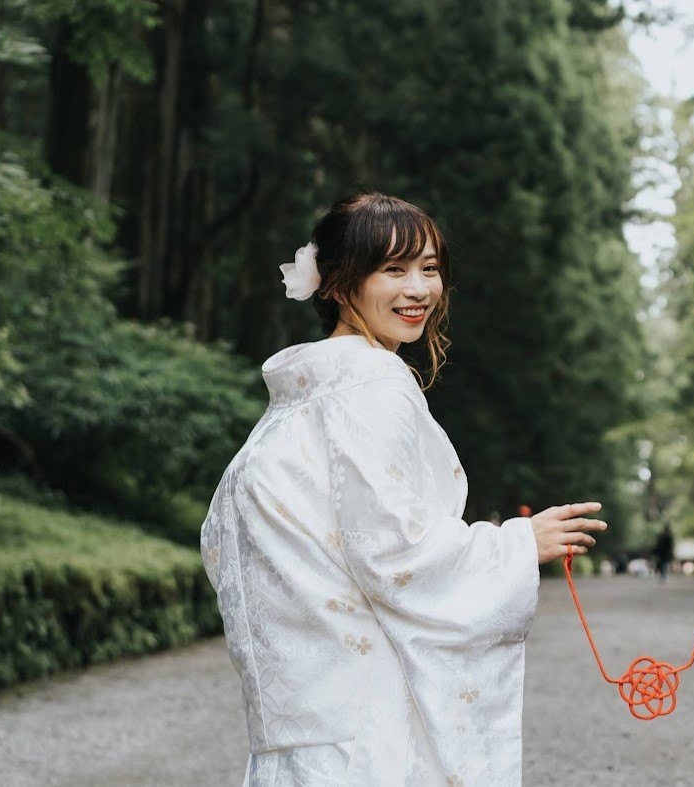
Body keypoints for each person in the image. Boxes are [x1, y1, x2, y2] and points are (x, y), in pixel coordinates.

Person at [200, 192, 607, 786]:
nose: (418, 289)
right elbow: (393, 551)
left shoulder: (296, 402)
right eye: (393, 270)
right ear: (338, 284)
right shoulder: (372, 385)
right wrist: (517, 544)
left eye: (431, 268)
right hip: (366, 722)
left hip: (303, 711)